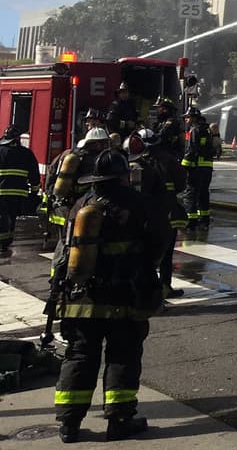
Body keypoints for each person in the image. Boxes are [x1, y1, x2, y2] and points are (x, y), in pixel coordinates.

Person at [47, 148, 167, 443]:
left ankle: (69, 423)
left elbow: (64, 252)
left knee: (79, 355)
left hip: (80, 299)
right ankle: (120, 419)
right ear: (124, 176)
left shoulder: (80, 205)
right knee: (123, 356)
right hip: (125, 297)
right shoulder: (140, 204)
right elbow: (159, 243)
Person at [131, 127, 188, 297]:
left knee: (144, 252)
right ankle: (164, 287)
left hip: (144, 214)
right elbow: (181, 184)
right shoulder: (168, 159)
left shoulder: (137, 162)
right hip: (167, 212)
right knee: (166, 252)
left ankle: (143, 288)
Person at [41, 123, 111, 251]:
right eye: (104, 143)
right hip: (77, 206)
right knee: (75, 243)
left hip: (63, 205)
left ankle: (61, 266)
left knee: (66, 241)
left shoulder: (70, 154)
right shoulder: (99, 160)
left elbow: (52, 173)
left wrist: (49, 197)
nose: (105, 147)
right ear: (97, 143)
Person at [0, 122, 40, 259]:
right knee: (12, 218)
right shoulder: (27, 154)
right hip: (18, 194)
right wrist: (34, 193)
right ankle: (6, 243)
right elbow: (34, 175)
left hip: (1, 193)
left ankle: (3, 243)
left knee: (2, 218)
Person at [180, 107, 216, 231]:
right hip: (207, 168)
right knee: (203, 194)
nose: (186, 120)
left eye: (188, 117)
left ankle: (190, 221)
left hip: (196, 168)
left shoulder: (194, 130)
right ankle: (204, 220)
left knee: (190, 194)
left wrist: (183, 166)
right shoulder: (207, 130)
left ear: (194, 118)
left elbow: (192, 149)